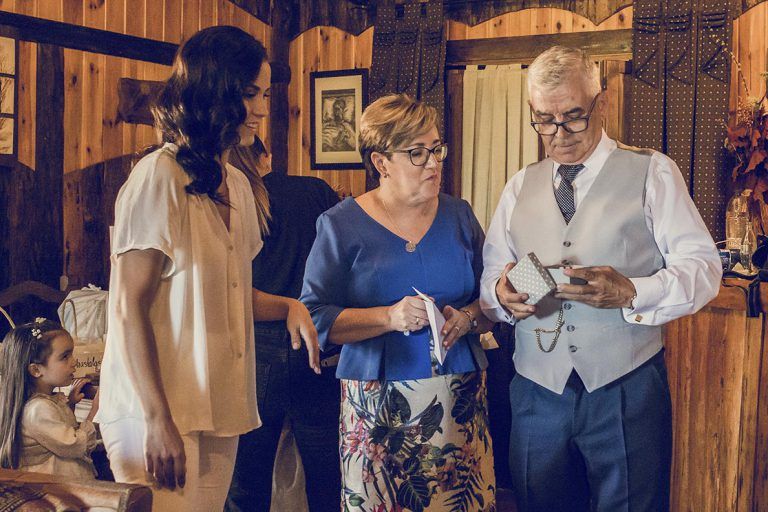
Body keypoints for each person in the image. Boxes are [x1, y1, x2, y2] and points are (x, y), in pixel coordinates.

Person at [480, 45, 722, 511]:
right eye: (544, 120)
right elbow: (494, 273)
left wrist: (633, 291)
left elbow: (703, 268)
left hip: (626, 388)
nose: (559, 134)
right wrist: (500, 293)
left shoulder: (652, 171)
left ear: (603, 103)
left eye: (573, 117)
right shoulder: (519, 185)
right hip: (535, 390)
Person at [95, 26, 320, 511]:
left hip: (218, 404)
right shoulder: (158, 176)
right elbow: (128, 306)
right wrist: (156, 418)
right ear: (215, 94)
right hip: (156, 408)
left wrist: (289, 306)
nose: (262, 109)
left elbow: (228, 293)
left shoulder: (237, 185)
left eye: (264, 95)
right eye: (250, 94)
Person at [301, 93, 497, 511]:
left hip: (458, 400)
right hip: (377, 408)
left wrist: (467, 317)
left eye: (436, 149)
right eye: (417, 153)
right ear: (381, 162)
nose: (433, 163)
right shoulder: (340, 224)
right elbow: (313, 317)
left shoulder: (459, 215)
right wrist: (388, 317)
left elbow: (492, 297)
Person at [226, 138, 341, 512]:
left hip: (257, 348)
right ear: (267, 156)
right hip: (317, 344)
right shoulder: (315, 191)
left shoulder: (231, 205)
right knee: (327, 481)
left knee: (247, 485)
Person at [0, 318, 99, 479]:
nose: (74, 362)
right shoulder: (38, 409)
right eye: (65, 356)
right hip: (57, 488)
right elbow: (75, 445)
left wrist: (71, 404)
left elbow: (58, 431)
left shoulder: (45, 402)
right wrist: (95, 410)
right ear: (36, 370)